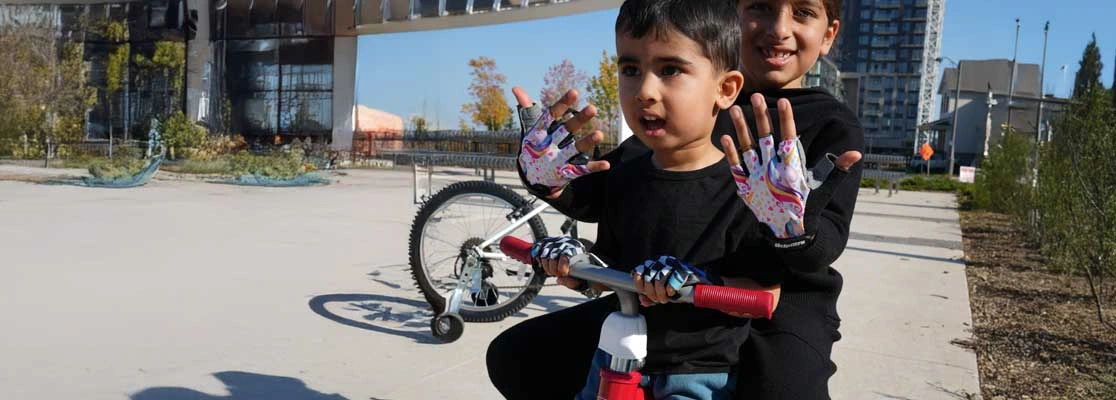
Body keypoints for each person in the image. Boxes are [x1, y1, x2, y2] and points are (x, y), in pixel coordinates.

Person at [488, 0, 864, 398]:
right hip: (662, 287)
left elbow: (825, 241)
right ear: (733, 16)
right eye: (761, 7)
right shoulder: (681, 113)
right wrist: (546, 178)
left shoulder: (831, 124)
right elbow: (597, 194)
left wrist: (793, 229)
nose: (778, 28)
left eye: (802, 12)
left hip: (781, 295)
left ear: (828, 35)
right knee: (517, 356)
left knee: (785, 390)